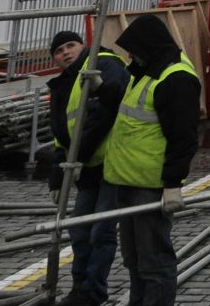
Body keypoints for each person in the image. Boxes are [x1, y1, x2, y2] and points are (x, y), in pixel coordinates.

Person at [103, 15, 201, 306]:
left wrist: (173, 183)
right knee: (134, 259)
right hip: (127, 182)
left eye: (134, 49)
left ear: (149, 46)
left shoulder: (177, 78)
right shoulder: (147, 71)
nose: (131, 56)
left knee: (153, 261)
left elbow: (183, 138)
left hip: (151, 186)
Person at [45, 28, 129, 306]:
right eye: (59, 51)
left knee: (101, 230)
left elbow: (105, 114)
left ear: (84, 46)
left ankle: (92, 292)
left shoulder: (104, 64)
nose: (66, 53)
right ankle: (79, 287)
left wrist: (78, 156)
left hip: (111, 162)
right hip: (87, 168)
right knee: (79, 230)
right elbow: (61, 134)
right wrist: (58, 176)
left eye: (71, 45)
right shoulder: (62, 85)